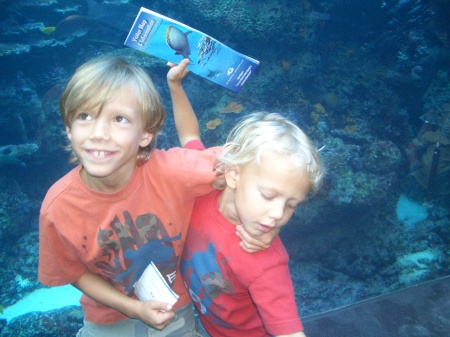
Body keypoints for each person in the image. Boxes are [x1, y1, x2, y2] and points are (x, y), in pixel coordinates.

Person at [38, 56, 275, 337]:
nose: (99, 133)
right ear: (68, 127)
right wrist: (132, 308)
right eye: (84, 116)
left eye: (119, 119)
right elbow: (74, 272)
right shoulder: (58, 207)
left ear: (146, 134)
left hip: (173, 307)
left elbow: (254, 168)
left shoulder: (175, 172)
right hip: (108, 316)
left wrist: (266, 224)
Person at [168, 66, 324, 336]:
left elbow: (289, 331)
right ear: (232, 175)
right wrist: (175, 86)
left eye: (291, 204)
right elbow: (190, 138)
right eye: (268, 196)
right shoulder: (201, 187)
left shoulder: (265, 260)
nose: (277, 214)